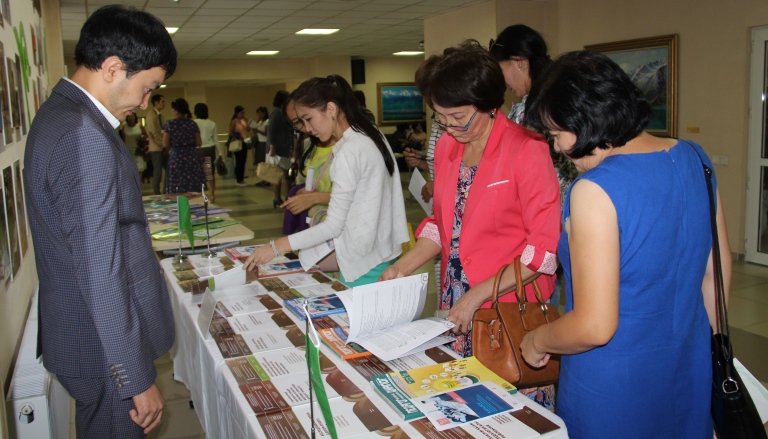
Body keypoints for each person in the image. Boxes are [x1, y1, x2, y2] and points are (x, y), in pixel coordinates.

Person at [519, 51, 730, 438]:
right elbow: (716, 276)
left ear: (580, 121)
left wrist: (536, 340)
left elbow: (595, 326)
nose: (556, 148)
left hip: (614, 385)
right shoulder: (695, 159)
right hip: (688, 365)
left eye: (555, 134)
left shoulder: (596, 190)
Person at [379, 41, 561, 409]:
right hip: (456, 300)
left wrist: (477, 295)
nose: (449, 127)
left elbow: (542, 252)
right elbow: (442, 224)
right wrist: (405, 264)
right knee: (461, 403)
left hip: (505, 305)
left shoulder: (526, 150)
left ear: (490, 104)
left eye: (458, 117)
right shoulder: (449, 146)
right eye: (441, 118)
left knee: (507, 409)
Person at [23, 5, 176, 438]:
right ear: (112, 68)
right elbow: (99, 270)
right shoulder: (82, 135)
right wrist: (135, 377)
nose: (146, 103)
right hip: (102, 349)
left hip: (87, 335)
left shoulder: (62, 115)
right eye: (147, 88)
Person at [244, 75, 409, 287]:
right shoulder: (370, 133)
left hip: (363, 265)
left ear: (331, 109)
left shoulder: (350, 151)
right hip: (381, 254)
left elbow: (332, 226)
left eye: (308, 118)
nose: (307, 128)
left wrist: (275, 247)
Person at [490, 24, 578, 308]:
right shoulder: (563, 96)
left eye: (501, 69)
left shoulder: (530, 109)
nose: (504, 83)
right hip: (571, 220)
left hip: (545, 224)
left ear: (519, 62)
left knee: (547, 303)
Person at [163, 98, 203, 194]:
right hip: (191, 156)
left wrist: (172, 149)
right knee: (192, 182)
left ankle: (178, 204)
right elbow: (199, 142)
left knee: (177, 183)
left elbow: (165, 143)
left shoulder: (170, 124)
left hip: (177, 156)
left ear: (176, 110)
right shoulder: (192, 124)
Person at [267, 91, 295, 205]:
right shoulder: (277, 112)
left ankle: (279, 197)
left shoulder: (279, 112)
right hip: (279, 148)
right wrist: (272, 146)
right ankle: (281, 197)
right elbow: (271, 130)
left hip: (282, 147)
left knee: (281, 173)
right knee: (282, 174)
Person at [193, 103, 218, 200]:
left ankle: (200, 193)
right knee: (209, 173)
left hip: (198, 150)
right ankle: (212, 194)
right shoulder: (212, 123)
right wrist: (219, 153)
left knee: (198, 173)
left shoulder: (194, 123)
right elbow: (215, 139)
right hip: (209, 149)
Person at [145, 93, 165, 194]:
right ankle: (157, 192)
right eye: (162, 102)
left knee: (166, 169)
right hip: (156, 147)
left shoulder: (160, 115)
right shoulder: (151, 115)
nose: (164, 104)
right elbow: (154, 134)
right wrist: (163, 144)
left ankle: (165, 191)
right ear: (156, 103)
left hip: (162, 147)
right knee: (157, 172)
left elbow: (162, 131)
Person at [120, 111, 148, 175]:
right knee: (130, 171)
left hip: (139, 150)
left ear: (135, 117)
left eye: (132, 116)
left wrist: (141, 137)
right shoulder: (124, 127)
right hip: (129, 151)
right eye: (129, 117)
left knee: (140, 169)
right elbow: (123, 140)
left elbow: (146, 135)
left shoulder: (139, 125)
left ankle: (139, 184)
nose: (131, 118)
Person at [228, 105, 250, 186]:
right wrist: (237, 136)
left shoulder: (244, 120)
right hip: (238, 142)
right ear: (237, 113)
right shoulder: (234, 121)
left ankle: (242, 178)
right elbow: (230, 132)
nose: (243, 114)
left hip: (245, 142)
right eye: (241, 112)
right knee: (239, 161)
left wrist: (246, 121)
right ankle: (239, 179)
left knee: (243, 160)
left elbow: (248, 129)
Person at [249, 106, 269, 185]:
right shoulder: (260, 122)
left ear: (264, 113)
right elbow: (256, 130)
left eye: (260, 113)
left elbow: (266, 133)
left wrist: (257, 130)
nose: (259, 115)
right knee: (260, 162)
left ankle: (267, 180)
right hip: (259, 142)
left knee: (264, 162)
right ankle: (263, 179)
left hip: (265, 142)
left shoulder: (267, 122)